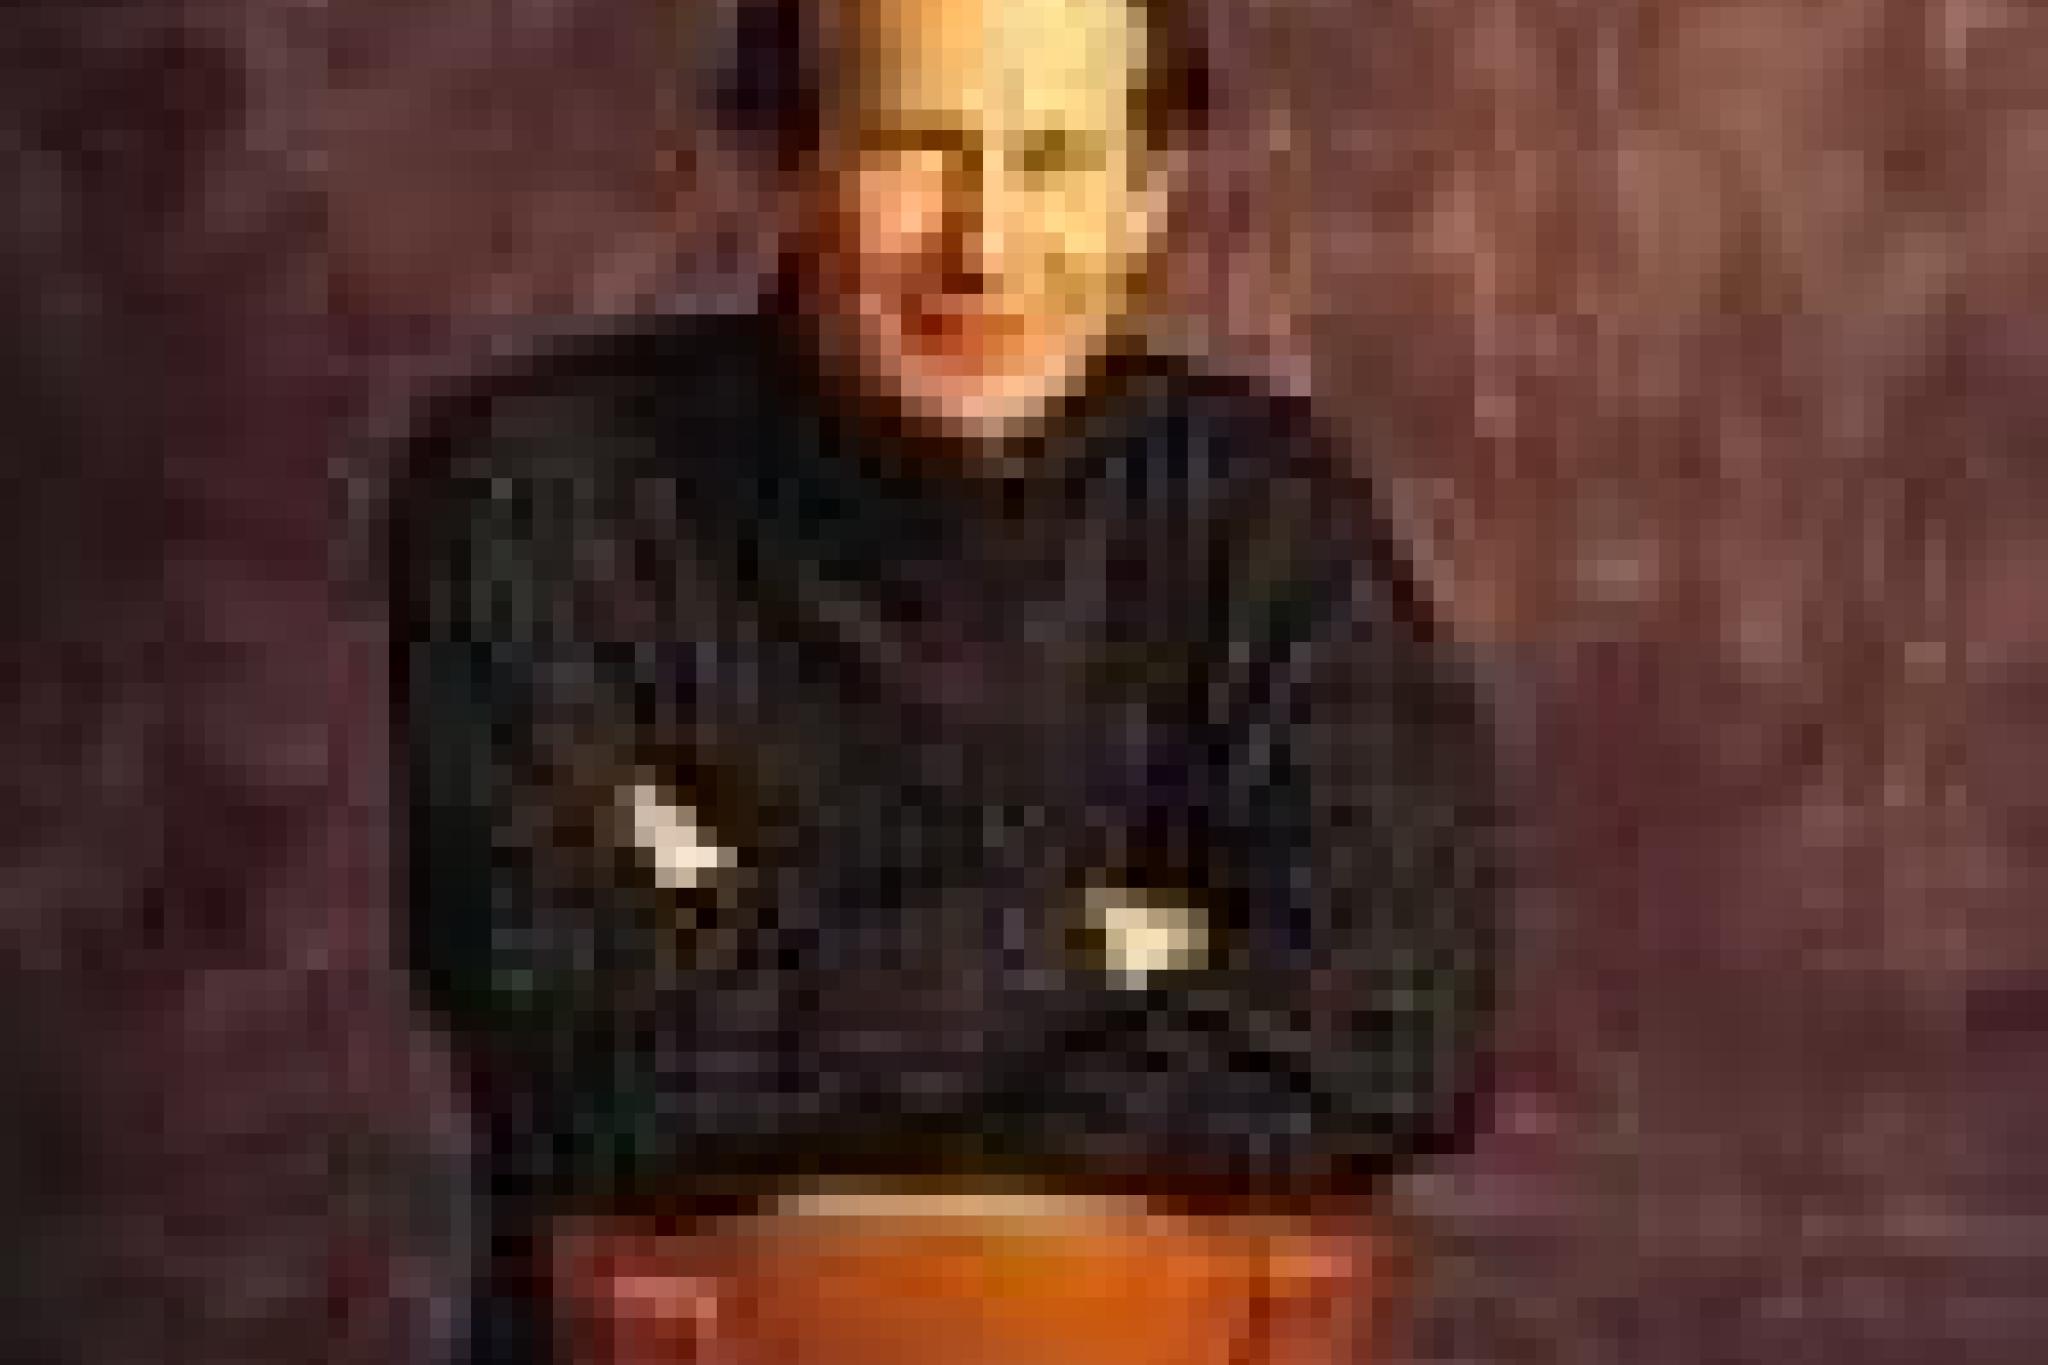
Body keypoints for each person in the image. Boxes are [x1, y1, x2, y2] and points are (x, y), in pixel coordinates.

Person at [393, 0, 1503, 1360]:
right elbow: (579, 1074)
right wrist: (1094, 948)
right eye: (917, 149)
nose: (985, 246)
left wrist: (767, 965)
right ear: (786, 157)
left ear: (1148, 195)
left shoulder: (1267, 510)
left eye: (1053, 159)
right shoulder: (538, 492)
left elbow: (1399, 1035)